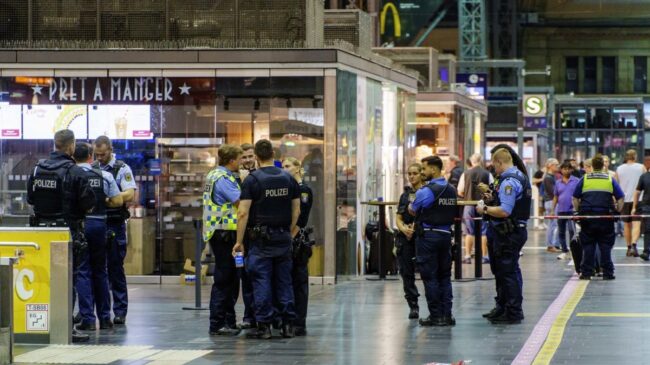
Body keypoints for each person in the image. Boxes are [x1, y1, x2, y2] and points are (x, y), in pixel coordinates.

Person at [27, 130, 96, 343]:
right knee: (68, 281)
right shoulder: (75, 172)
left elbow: (31, 199)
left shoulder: (37, 169)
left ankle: (42, 324)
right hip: (67, 233)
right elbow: (88, 204)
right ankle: (65, 327)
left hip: (40, 234)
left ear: (55, 144)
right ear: (71, 146)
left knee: (42, 280)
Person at [232, 139, 300, 339]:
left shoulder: (252, 180)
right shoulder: (288, 178)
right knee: (284, 281)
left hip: (260, 239)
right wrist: (288, 229)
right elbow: (296, 209)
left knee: (261, 280)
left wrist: (239, 241)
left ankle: (264, 326)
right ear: (274, 155)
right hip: (283, 236)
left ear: (257, 157)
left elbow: (243, 213)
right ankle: (288, 324)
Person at [477, 147, 531, 324]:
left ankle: (513, 311)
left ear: (500, 162)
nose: (493, 168)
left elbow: (504, 211)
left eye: (494, 164)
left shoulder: (509, 181)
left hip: (507, 233)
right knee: (502, 271)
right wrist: (491, 197)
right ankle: (503, 306)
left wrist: (483, 208)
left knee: (507, 272)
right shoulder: (516, 176)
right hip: (505, 232)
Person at [72, 143, 123, 331]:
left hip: (81, 225)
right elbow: (118, 201)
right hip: (100, 224)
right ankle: (105, 318)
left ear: (73, 157)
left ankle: (88, 319)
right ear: (91, 157)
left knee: (83, 271)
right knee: (101, 271)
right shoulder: (104, 175)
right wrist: (102, 202)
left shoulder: (71, 175)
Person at [408, 155, 458, 327]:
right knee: (445, 276)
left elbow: (413, 209)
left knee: (430, 277)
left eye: (424, 169)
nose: (422, 172)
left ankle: (436, 316)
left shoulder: (427, 191)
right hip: (445, 236)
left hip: (428, 237)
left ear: (434, 169)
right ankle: (447, 315)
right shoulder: (451, 189)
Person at [93, 136, 137, 325]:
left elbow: (130, 194)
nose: (100, 158)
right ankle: (98, 310)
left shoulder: (121, 168)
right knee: (96, 269)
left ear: (110, 149)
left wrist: (111, 197)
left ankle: (120, 311)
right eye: (97, 154)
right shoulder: (92, 168)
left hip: (114, 223)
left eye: (103, 154)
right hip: (96, 222)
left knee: (115, 268)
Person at [203, 144, 243, 336]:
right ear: (232, 160)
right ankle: (218, 323)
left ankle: (228, 321)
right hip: (225, 233)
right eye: (240, 158)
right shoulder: (224, 178)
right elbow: (240, 202)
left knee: (230, 278)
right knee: (225, 278)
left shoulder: (213, 174)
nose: (242, 162)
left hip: (220, 232)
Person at [573, 154, 624, 280]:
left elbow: (575, 198)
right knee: (605, 246)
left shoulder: (584, 179)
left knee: (588, 246)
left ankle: (586, 273)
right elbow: (621, 197)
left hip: (588, 218)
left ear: (592, 166)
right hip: (605, 218)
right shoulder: (609, 179)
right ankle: (608, 273)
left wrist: (578, 210)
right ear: (602, 165)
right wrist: (618, 210)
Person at [283, 157, 314, 336]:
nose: (285, 169)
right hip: (287, 238)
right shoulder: (288, 189)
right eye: (283, 166)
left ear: (297, 168)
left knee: (299, 282)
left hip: (297, 242)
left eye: (288, 166)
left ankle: (299, 323)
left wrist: (289, 237)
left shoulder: (303, 191)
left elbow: (301, 219)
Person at [394, 163, 423, 320]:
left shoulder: (426, 193)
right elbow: (398, 217)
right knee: (407, 274)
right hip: (405, 237)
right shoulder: (405, 195)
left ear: (421, 175)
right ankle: (413, 306)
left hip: (421, 237)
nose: (411, 176)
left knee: (427, 272)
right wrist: (403, 228)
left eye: (415, 173)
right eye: (409, 173)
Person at [457, 153, 493, 264]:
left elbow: (460, 190)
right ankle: (485, 256)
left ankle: (467, 256)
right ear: (481, 161)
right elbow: (491, 191)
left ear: (471, 161)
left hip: (468, 204)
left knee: (469, 232)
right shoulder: (488, 174)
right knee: (484, 232)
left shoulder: (466, 174)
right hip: (483, 205)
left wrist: (467, 194)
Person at [237, 142, 257, 331]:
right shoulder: (235, 177)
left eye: (250, 156)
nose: (248, 160)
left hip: (259, 233)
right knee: (246, 276)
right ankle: (249, 316)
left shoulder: (262, 176)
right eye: (244, 157)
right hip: (243, 235)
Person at [615, 149, 645, 257]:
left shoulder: (619, 169)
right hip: (639, 200)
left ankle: (628, 248)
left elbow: (616, 185)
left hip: (624, 199)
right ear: (635, 156)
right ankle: (634, 246)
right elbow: (646, 181)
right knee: (636, 224)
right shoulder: (641, 167)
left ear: (626, 157)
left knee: (627, 225)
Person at [552, 162, 579, 260]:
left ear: (572, 170)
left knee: (572, 231)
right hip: (561, 211)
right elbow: (555, 196)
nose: (566, 170)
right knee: (561, 232)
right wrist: (552, 209)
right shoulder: (558, 182)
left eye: (568, 169)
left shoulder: (576, 181)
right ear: (561, 170)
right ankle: (564, 251)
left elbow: (579, 196)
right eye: (564, 169)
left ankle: (573, 251)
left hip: (572, 211)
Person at [632, 156, 650, 261]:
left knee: (647, 229)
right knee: (647, 229)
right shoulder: (644, 176)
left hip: (646, 206)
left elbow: (637, 192)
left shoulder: (644, 176)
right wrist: (634, 206)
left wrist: (634, 206)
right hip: (646, 207)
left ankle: (646, 251)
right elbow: (637, 192)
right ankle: (646, 252)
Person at [543, 158, 561, 252]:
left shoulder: (551, 177)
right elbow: (553, 192)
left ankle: (553, 244)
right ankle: (550, 245)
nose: (557, 166)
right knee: (553, 224)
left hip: (551, 202)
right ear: (550, 166)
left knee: (553, 224)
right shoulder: (548, 178)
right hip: (551, 202)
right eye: (556, 165)